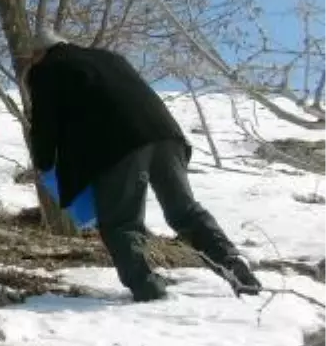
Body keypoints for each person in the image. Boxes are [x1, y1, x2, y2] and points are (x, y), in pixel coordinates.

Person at [24, 27, 261, 301]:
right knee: (184, 211)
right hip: (165, 134)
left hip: (117, 144)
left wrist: (43, 163)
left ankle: (147, 287)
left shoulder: (47, 69)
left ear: (39, 53)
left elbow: (45, 124)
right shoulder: (109, 57)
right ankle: (231, 261)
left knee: (121, 221)